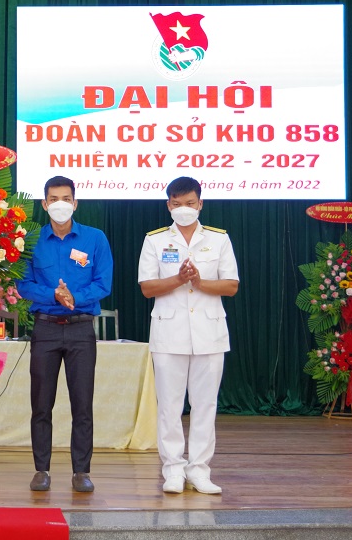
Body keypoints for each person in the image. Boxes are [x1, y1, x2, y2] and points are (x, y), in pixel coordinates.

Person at [137, 176, 239, 495]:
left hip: (209, 333)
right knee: (169, 406)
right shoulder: (155, 240)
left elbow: (231, 285)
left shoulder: (219, 239)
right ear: (169, 205)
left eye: (190, 203)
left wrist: (199, 282)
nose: (184, 209)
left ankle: (199, 470)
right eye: (177, 204)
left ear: (200, 203)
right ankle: (172, 469)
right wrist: (179, 279)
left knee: (205, 405)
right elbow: (147, 287)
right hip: (169, 333)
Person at [16, 175, 113, 493]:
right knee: (41, 404)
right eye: (54, 199)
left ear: (75, 202)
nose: (61, 204)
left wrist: (75, 298)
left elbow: (103, 283)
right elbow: (23, 285)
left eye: (66, 198)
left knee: (82, 404)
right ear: (44, 204)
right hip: (45, 328)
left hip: (81, 329)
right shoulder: (31, 241)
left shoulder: (95, 238)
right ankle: (41, 470)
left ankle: (81, 471)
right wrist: (54, 295)